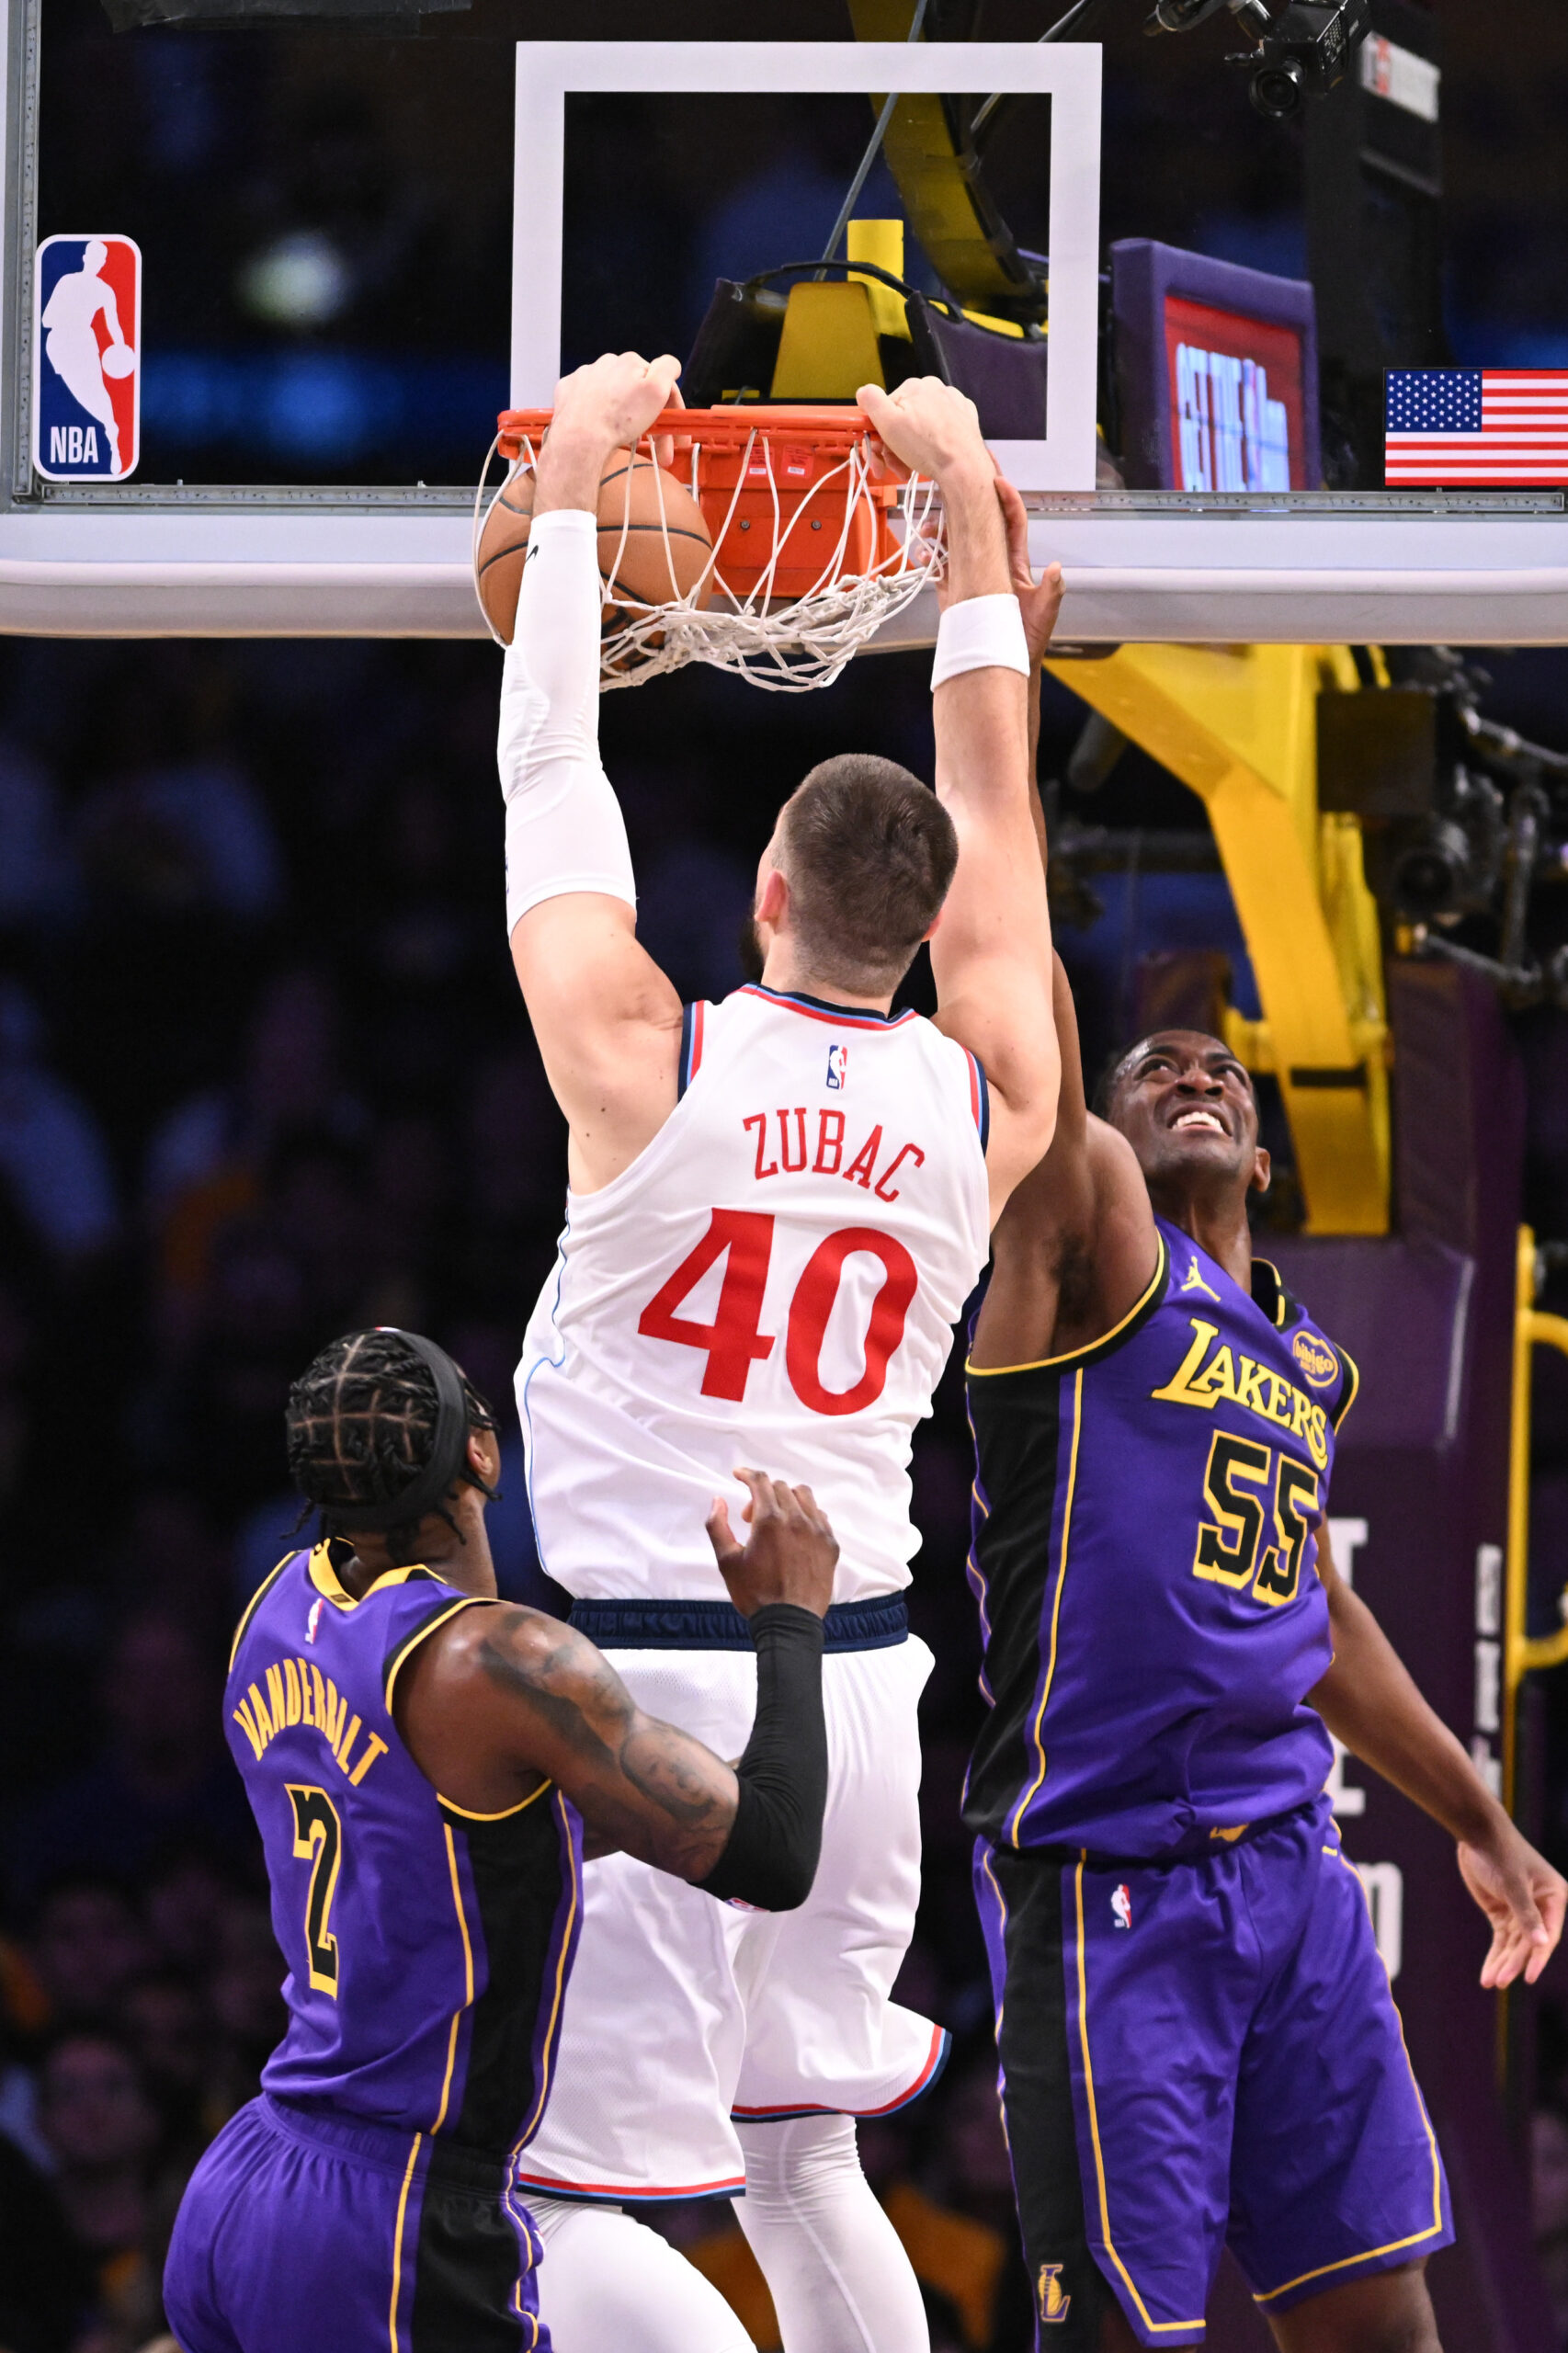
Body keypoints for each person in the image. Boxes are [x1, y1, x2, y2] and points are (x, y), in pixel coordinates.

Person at [496, 347, 1060, 2353]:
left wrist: (573, 486)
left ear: (756, 895)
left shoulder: (647, 1060)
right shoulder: (990, 1095)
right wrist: (968, 523)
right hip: (868, 1680)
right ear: (921, 927)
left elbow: (552, 785)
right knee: (806, 2154)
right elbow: (990, 818)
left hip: (643, 1680)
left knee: (571, 2192)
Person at [961, 549, 1568, 2351]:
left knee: (1381, 2323)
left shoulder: (1292, 1352)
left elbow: (1315, 1615)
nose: (1191, 1071)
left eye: (1214, 1070)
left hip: (1288, 1872)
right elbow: (1015, 1003)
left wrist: (1478, 1820)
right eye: (1153, 1074)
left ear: (1267, 1148)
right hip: (1112, 1889)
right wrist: (993, 655)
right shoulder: (1074, 1266)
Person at [162, 1324, 837, 2353]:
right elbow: (777, 1850)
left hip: (248, 2174)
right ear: (483, 1454)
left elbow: (439, 1826)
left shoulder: (275, 1609)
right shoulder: (503, 1662)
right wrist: (791, 1619)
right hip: (389, 2212)